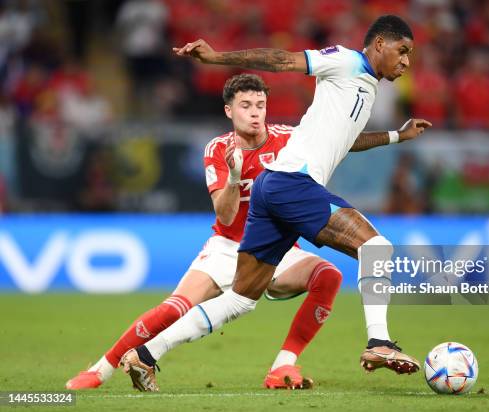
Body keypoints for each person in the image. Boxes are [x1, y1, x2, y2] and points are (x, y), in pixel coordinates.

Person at [122, 15, 432, 391]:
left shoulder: (365, 88)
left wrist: (398, 136)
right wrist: (218, 57)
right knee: (377, 247)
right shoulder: (346, 61)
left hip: (273, 187)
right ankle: (379, 342)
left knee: (240, 299)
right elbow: (282, 60)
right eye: (403, 51)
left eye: (410, 55)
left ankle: (145, 355)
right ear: (380, 44)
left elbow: (345, 141)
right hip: (293, 183)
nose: (406, 62)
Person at [66, 74, 346, 390]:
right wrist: (235, 176)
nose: (255, 112)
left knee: (328, 276)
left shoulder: (290, 139)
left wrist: (392, 136)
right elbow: (225, 216)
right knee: (173, 308)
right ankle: (100, 370)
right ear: (229, 111)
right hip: (227, 247)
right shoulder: (219, 149)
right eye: (246, 106)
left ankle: (283, 366)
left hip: (277, 248)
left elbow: (339, 140)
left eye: (260, 105)